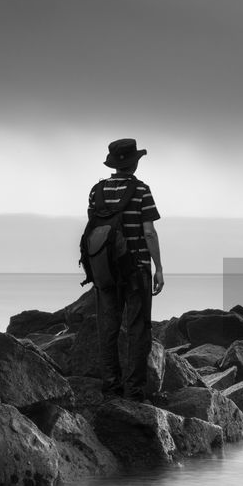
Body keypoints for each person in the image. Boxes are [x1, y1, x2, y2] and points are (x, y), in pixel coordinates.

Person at [89, 138, 164, 401]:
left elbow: (95, 229)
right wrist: (159, 268)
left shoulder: (96, 191)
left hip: (105, 270)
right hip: (136, 268)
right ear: (134, 163)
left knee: (108, 327)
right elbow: (149, 232)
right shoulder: (141, 191)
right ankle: (134, 390)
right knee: (138, 328)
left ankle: (110, 387)